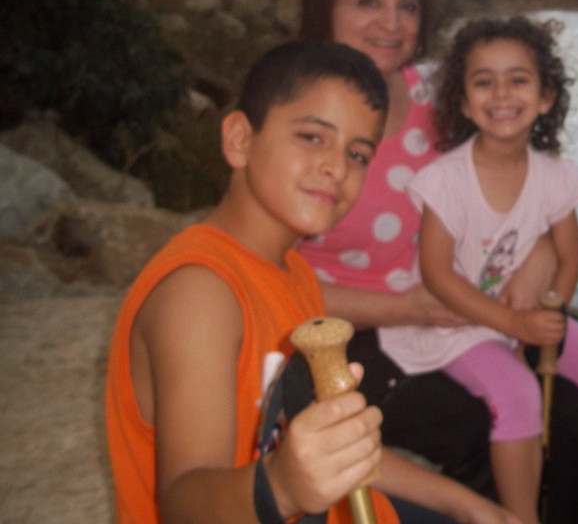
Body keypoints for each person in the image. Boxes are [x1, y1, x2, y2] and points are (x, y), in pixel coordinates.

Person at [297, 0, 578, 524]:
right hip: (358, 336)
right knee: (485, 432)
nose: (391, 24)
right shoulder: (296, 122)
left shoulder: (442, 93)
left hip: (465, 310)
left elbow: (529, 172)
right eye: (368, 1)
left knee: (568, 412)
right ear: (324, 10)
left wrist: (543, 251)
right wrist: (402, 308)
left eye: (408, 6)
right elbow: (264, 276)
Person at [380, 16, 578, 524]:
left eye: (518, 79)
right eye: (484, 81)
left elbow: (568, 256)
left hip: (525, 315)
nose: (502, 94)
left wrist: (551, 318)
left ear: (546, 96)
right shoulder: (445, 181)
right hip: (457, 324)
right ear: (464, 103)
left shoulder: (554, 176)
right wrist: (511, 326)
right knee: (518, 396)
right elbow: (437, 275)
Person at [105, 40, 397, 524]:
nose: (337, 167)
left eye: (358, 153)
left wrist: (463, 503)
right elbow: (182, 504)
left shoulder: (295, 274)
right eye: (312, 137)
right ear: (240, 139)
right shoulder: (200, 293)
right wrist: (280, 486)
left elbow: (336, 448)